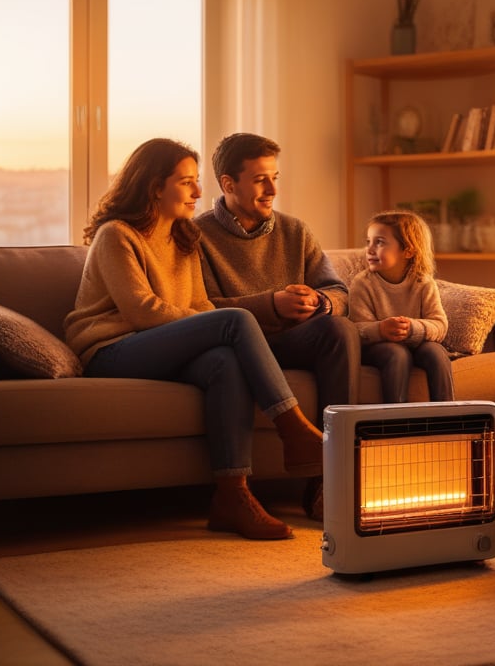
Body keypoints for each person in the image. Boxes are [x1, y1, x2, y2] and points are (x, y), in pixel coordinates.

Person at [63, 138, 324, 541]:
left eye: (196, 181)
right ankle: (293, 428)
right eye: (186, 183)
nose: (199, 192)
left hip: (162, 345)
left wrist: (205, 326)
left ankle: (231, 496)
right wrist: (209, 325)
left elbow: (200, 303)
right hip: (112, 350)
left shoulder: (183, 236)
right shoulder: (117, 235)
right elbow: (141, 311)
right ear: (154, 187)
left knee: (225, 362)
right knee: (233, 321)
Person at [194, 132, 360, 522]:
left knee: (341, 330)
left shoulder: (294, 231)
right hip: (239, 345)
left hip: (291, 341)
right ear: (228, 184)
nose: (272, 189)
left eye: (275, 177)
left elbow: (338, 290)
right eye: (260, 179)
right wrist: (272, 304)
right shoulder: (198, 237)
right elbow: (199, 310)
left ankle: (329, 480)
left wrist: (318, 302)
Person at [347, 209, 454, 403]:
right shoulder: (362, 283)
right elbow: (356, 328)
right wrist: (381, 329)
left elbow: (440, 324)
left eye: (379, 242)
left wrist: (412, 328)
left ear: (408, 251)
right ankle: (395, 421)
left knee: (436, 352)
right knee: (397, 354)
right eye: (368, 242)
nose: (369, 250)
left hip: (416, 343)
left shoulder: (423, 282)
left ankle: (447, 415)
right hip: (378, 348)